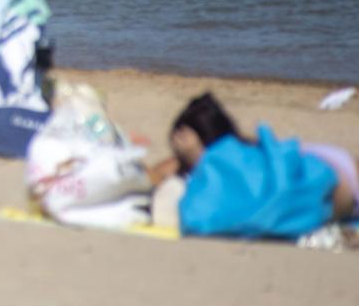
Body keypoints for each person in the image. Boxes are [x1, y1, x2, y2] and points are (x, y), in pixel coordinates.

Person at [150, 92, 356, 221]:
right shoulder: (237, 149)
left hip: (331, 175)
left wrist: (198, 160)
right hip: (329, 163)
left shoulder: (238, 163)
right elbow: (157, 173)